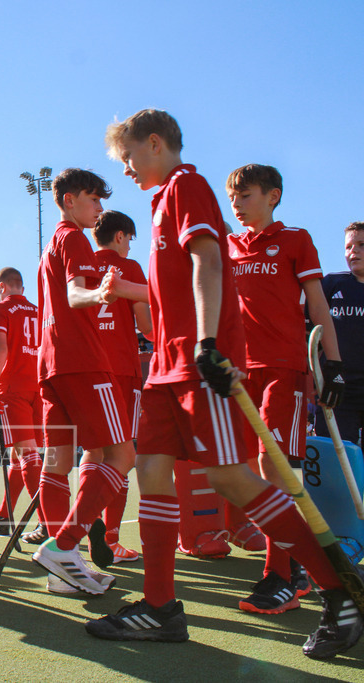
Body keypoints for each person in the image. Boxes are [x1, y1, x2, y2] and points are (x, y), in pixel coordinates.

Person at [88, 108, 362, 660]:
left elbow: (208, 262)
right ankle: (161, 607)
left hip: (196, 363)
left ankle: (339, 594)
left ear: (156, 143)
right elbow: (168, 290)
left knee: (235, 477)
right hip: (164, 366)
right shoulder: (161, 199)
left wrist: (208, 343)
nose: (125, 170)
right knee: (152, 469)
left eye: (128, 157)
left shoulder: (187, 186)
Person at [225, 163, 343, 613]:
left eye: (246, 195)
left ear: (273, 196)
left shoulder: (295, 240)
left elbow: (317, 305)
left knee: (278, 467)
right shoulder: (228, 246)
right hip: (239, 374)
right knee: (243, 468)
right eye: (233, 197)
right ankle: (291, 561)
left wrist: (333, 365)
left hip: (285, 371)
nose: (237, 204)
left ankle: (281, 576)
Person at [30, 168, 134, 596]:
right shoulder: (72, 237)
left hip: (52, 364)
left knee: (56, 463)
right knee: (123, 455)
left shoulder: (50, 246)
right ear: (70, 200)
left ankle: (64, 568)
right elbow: (77, 294)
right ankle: (65, 545)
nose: (99, 209)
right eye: (94, 200)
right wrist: (102, 294)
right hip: (83, 362)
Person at [90, 210, 152, 563]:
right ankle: (108, 535)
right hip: (122, 373)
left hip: (87, 372)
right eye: (130, 238)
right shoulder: (129, 270)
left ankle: (86, 523)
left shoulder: (80, 264)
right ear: (120, 237)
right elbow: (146, 325)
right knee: (122, 455)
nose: (130, 246)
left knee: (92, 453)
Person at [0, 267, 44, 542]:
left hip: (13, 389)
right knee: (19, 457)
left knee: (28, 455)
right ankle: (4, 516)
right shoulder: (39, 311)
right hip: (38, 388)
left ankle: (47, 524)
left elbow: (1, 348)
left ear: (2, 287)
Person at [316, 222, 364, 446]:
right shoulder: (331, 284)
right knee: (338, 462)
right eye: (348, 247)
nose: (353, 252)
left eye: (361, 245)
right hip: (337, 388)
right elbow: (310, 334)